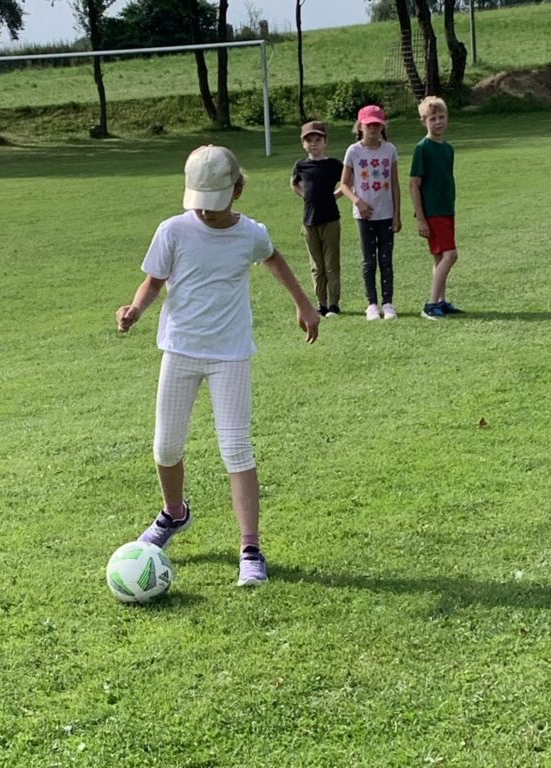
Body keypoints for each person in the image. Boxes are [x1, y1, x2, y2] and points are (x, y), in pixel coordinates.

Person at [116, 145, 320, 587]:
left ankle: (250, 549)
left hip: (230, 355)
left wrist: (303, 304)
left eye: (215, 203)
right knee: (165, 447)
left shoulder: (250, 234)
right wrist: (134, 309)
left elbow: (273, 257)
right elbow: (153, 281)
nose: (206, 212)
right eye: (200, 203)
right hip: (180, 351)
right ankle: (174, 514)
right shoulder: (173, 230)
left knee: (236, 449)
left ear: (237, 191)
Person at [340, 104, 401, 321]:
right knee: (369, 260)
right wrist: (358, 202)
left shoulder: (390, 150)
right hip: (364, 215)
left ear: (383, 126)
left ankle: (388, 302)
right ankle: (372, 303)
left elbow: (395, 184)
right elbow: (344, 184)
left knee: (386, 259)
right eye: (369, 125)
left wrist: (397, 214)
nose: (373, 128)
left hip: (386, 213)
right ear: (360, 127)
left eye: (377, 124)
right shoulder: (353, 151)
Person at [408, 96, 463, 320]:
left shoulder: (447, 148)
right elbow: (414, 184)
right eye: (432, 119)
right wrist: (421, 218)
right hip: (433, 212)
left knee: (440, 257)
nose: (438, 122)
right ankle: (430, 305)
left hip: (446, 208)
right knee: (451, 254)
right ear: (424, 121)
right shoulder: (422, 148)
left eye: (441, 117)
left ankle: (440, 300)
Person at [290, 121, 345, 317]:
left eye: (318, 140)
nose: (313, 144)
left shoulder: (334, 165)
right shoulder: (301, 165)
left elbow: (347, 183)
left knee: (331, 264)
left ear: (325, 142)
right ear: (303, 144)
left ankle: (334, 303)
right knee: (316, 265)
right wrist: (305, 195)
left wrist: (335, 195)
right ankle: (321, 303)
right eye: (309, 140)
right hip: (309, 220)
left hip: (330, 219)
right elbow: (294, 184)